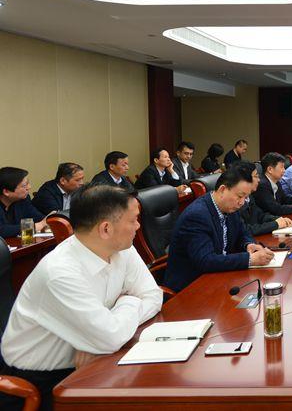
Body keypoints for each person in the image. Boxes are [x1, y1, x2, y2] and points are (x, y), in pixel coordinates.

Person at [0, 184, 162, 410]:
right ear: (106, 229)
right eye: (133, 219)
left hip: (96, 358)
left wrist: (101, 336)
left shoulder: (122, 247)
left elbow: (153, 296)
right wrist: (129, 301)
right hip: (39, 383)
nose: (138, 226)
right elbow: (110, 336)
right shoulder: (59, 273)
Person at [164, 168, 274, 293]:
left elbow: (243, 233)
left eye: (246, 197)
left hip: (220, 276)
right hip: (192, 287)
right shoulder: (197, 216)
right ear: (222, 190)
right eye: (240, 196)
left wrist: (248, 244)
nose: (242, 202)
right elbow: (206, 261)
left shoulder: (230, 207)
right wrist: (250, 259)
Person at [234, 162, 292, 236]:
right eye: (256, 176)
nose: (259, 180)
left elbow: (260, 215)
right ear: (244, 180)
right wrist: (275, 224)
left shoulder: (249, 196)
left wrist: (278, 219)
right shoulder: (235, 202)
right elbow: (246, 230)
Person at [0, 167, 48, 237]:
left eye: (28, 183)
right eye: (24, 185)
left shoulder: (23, 199)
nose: (29, 187)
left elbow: (37, 217)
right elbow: (2, 230)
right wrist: (34, 226)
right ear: (6, 192)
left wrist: (49, 218)